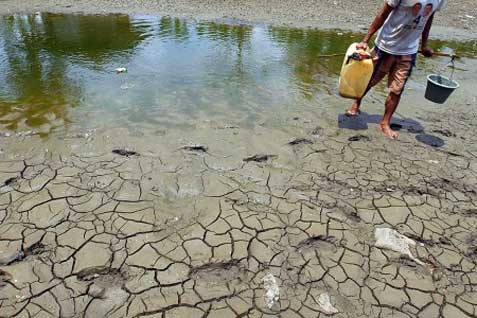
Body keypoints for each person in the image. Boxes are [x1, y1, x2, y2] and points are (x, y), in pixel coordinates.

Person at [346, 0, 444, 138]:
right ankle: (356, 103)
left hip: (409, 51)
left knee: (397, 89)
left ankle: (385, 123)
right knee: (369, 80)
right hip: (385, 45)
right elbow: (383, 13)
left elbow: (429, 17)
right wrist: (365, 40)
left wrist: (424, 45)